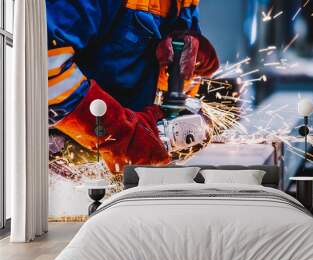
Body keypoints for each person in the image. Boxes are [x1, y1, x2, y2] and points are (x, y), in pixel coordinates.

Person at [47, 0, 219, 173]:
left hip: (110, 166)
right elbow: (38, 68)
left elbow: (130, 70)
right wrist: (120, 135)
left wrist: (174, 72)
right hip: (48, 160)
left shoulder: (185, 4)